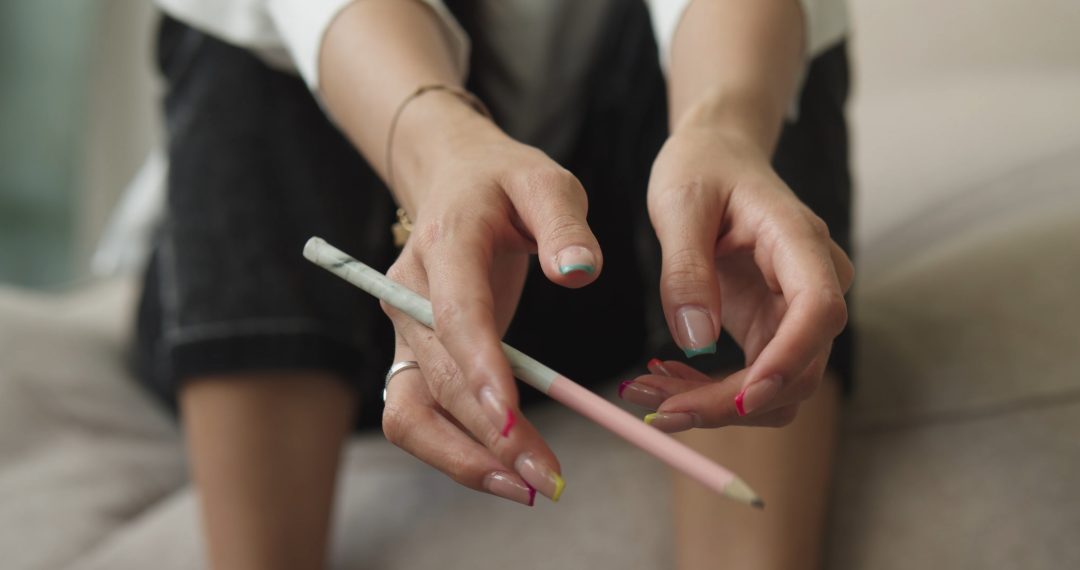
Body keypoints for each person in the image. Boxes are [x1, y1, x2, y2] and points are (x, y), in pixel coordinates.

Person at [134, 0, 854, 568]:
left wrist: (726, 130)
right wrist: (439, 150)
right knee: (239, 40)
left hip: (591, 273)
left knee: (770, 60)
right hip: (310, 294)